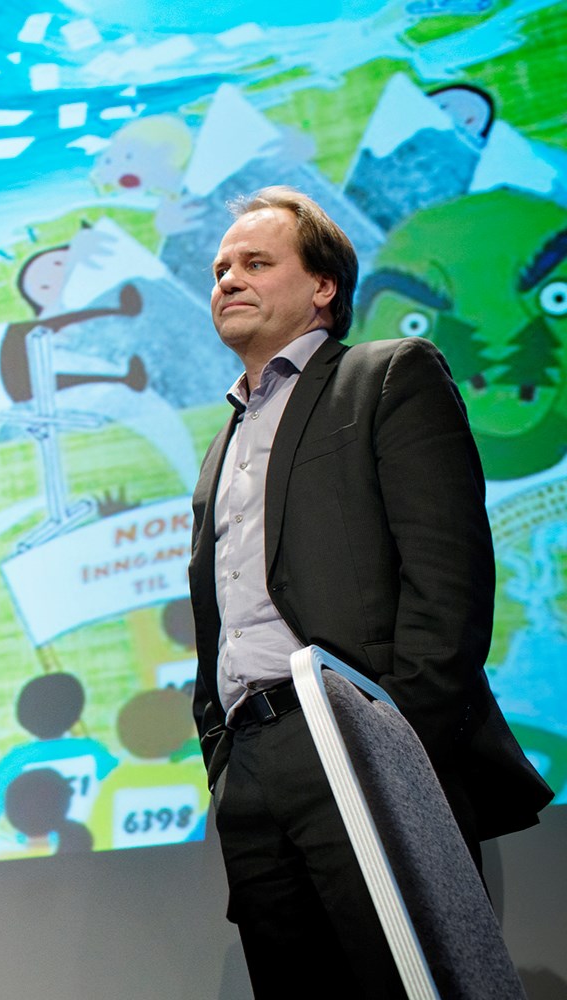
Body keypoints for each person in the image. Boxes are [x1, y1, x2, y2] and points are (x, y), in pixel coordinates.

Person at [188, 186, 552, 997]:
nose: (228, 280)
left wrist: (396, 742)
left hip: (357, 740)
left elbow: (448, 576)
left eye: (255, 262)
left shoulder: (386, 376)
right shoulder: (223, 442)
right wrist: (222, 754)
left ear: (323, 287)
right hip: (250, 763)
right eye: (220, 269)